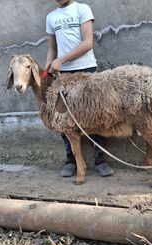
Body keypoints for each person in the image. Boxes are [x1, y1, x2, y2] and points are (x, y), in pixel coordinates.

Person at [45, 0, 114, 178]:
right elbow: (52, 48)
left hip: (87, 70)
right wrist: (48, 68)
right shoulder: (51, 17)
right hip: (64, 75)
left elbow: (87, 43)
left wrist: (61, 60)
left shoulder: (82, 9)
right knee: (62, 119)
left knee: (95, 116)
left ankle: (100, 159)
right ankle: (71, 160)